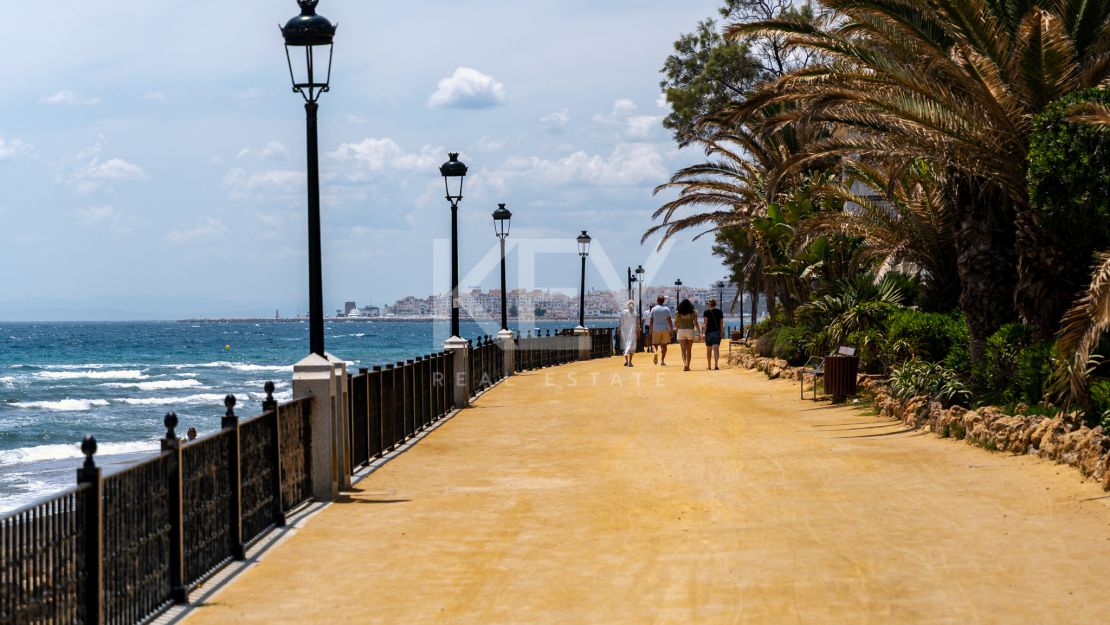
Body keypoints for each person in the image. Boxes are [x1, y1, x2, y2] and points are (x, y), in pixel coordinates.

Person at [675, 299, 700, 371]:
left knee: (683, 350)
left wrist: (676, 328)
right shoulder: (693, 312)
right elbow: (695, 323)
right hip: (690, 331)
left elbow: (676, 323)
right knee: (689, 350)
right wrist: (699, 332)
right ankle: (688, 366)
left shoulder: (678, 313)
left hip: (681, 331)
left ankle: (685, 363)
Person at [648, 295, 673, 365]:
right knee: (664, 345)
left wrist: (650, 331)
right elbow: (669, 321)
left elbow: (651, 321)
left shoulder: (653, 309)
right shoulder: (666, 309)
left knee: (654, 344)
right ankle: (662, 361)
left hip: (656, 329)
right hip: (665, 329)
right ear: (663, 301)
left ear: (657, 300)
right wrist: (671, 330)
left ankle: (655, 352)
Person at [703, 298, 724, 370]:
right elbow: (721, 323)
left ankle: (709, 366)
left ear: (710, 304)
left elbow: (705, 324)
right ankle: (716, 365)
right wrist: (721, 332)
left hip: (708, 333)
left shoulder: (706, 312)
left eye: (708, 303)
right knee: (716, 349)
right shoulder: (719, 312)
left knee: (709, 350)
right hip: (717, 332)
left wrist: (704, 333)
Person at [618, 300, 640, 367]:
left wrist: (618, 331)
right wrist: (638, 333)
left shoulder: (623, 313)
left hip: (624, 332)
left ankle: (626, 361)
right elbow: (638, 325)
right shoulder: (636, 314)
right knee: (632, 347)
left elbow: (620, 323)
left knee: (625, 346)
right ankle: (630, 362)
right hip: (632, 332)